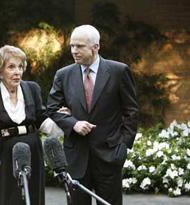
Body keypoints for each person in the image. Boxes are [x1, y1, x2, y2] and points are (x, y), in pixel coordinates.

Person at [47, 25, 139, 205]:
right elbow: (51, 108)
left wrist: (123, 145)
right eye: (72, 46)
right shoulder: (63, 75)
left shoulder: (118, 71)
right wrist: (73, 123)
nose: (74, 51)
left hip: (109, 155)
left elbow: (131, 111)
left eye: (79, 46)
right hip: (76, 157)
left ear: (95, 47)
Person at [0, 45, 64, 205]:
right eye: (11, 67)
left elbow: (41, 120)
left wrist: (64, 121)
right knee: (8, 196)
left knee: (32, 195)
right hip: (5, 151)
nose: (17, 72)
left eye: (20, 67)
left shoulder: (32, 88)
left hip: (32, 150)